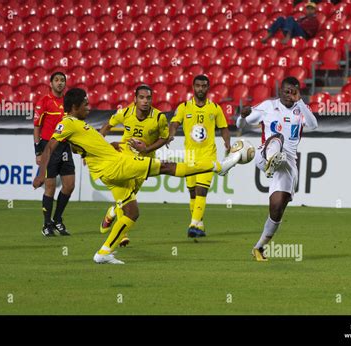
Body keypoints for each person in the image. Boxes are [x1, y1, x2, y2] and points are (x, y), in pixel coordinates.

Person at [33, 88, 241, 264]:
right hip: (118, 165)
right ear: (74, 107)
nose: (89, 107)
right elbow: (50, 148)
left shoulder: (79, 125)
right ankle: (218, 166)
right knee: (167, 167)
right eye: (85, 104)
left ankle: (104, 252)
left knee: (131, 212)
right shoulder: (67, 123)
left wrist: (110, 145)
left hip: (109, 167)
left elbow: (88, 145)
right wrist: (41, 173)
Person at [236, 77, 318, 261]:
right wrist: (241, 116)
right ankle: (269, 162)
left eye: (293, 92)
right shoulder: (267, 106)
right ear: (280, 91)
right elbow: (240, 126)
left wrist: (301, 101)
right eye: (287, 91)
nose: (289, 95)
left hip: (287, 162)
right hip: (265, 152)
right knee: (277, 139)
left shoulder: (300, 109)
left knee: (277, 207)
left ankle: (259, 247)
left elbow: (314, 125)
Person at [98, 85, 169, 247]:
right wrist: (97, 147)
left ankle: (111, 213)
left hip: (145, 160)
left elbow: (164, 138)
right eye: (142, 97)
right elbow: (107, 125)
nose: (145, 101)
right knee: (128, 196)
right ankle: (122, 235)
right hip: (125, 156)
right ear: (135, 99)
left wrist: (147, 149)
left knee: (130, 196)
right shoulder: (125, 113)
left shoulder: (159, 118)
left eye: (148, 98)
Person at [168, 75, 230, 238]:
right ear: (193, 87)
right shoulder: (184, 107)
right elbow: (174, 123)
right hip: (190, 156)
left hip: (208, 156)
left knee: (202, 190)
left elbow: (223, 127)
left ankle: (192, 225)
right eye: (198, 86)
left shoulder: (215, 108)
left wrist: (227, 142)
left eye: (204, 86)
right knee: (193, 193)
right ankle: (199, 224)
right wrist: (171, 134)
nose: (201, 89)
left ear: (208, 88)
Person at [33, 72, 75, 237]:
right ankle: (46, 224)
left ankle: (57, 219)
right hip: (48, 147)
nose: (60, 83)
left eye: (62, 80)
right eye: (56, 80)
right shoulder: (44, 101)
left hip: (65, 147)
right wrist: (38, 151)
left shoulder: (68, 103)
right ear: (50, 83)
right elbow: (37, 127)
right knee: (49, 187)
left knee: (69, 186)